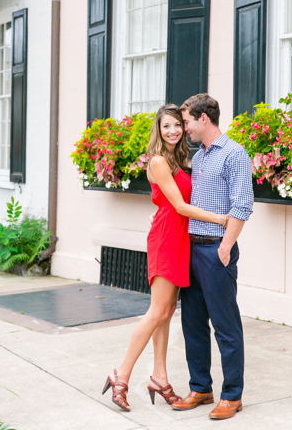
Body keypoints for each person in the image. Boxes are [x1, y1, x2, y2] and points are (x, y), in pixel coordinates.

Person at [102, 104, 228, 412]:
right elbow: (181, 207)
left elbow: (175, 200)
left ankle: (160, 377)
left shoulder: (182, 159)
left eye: (176, 125)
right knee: (158, 311)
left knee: (167, 310)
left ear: (184, 128)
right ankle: (121, 374)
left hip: (179, 238)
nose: (172, 131)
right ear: (158, 131)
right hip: (166, 239)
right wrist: (219, 219)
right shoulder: (159, 161)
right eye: (165, 126)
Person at [169, 93, 253, 420]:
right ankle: (201, 387)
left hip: (217, 249)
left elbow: (242, 204)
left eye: (187, 121)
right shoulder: (199, 156)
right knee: (192, 322)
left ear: (204, 119)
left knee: (225, 324)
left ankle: (232, 395)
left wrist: (225, 246)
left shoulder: (234, 154)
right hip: (190, 247)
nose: (184, 127)